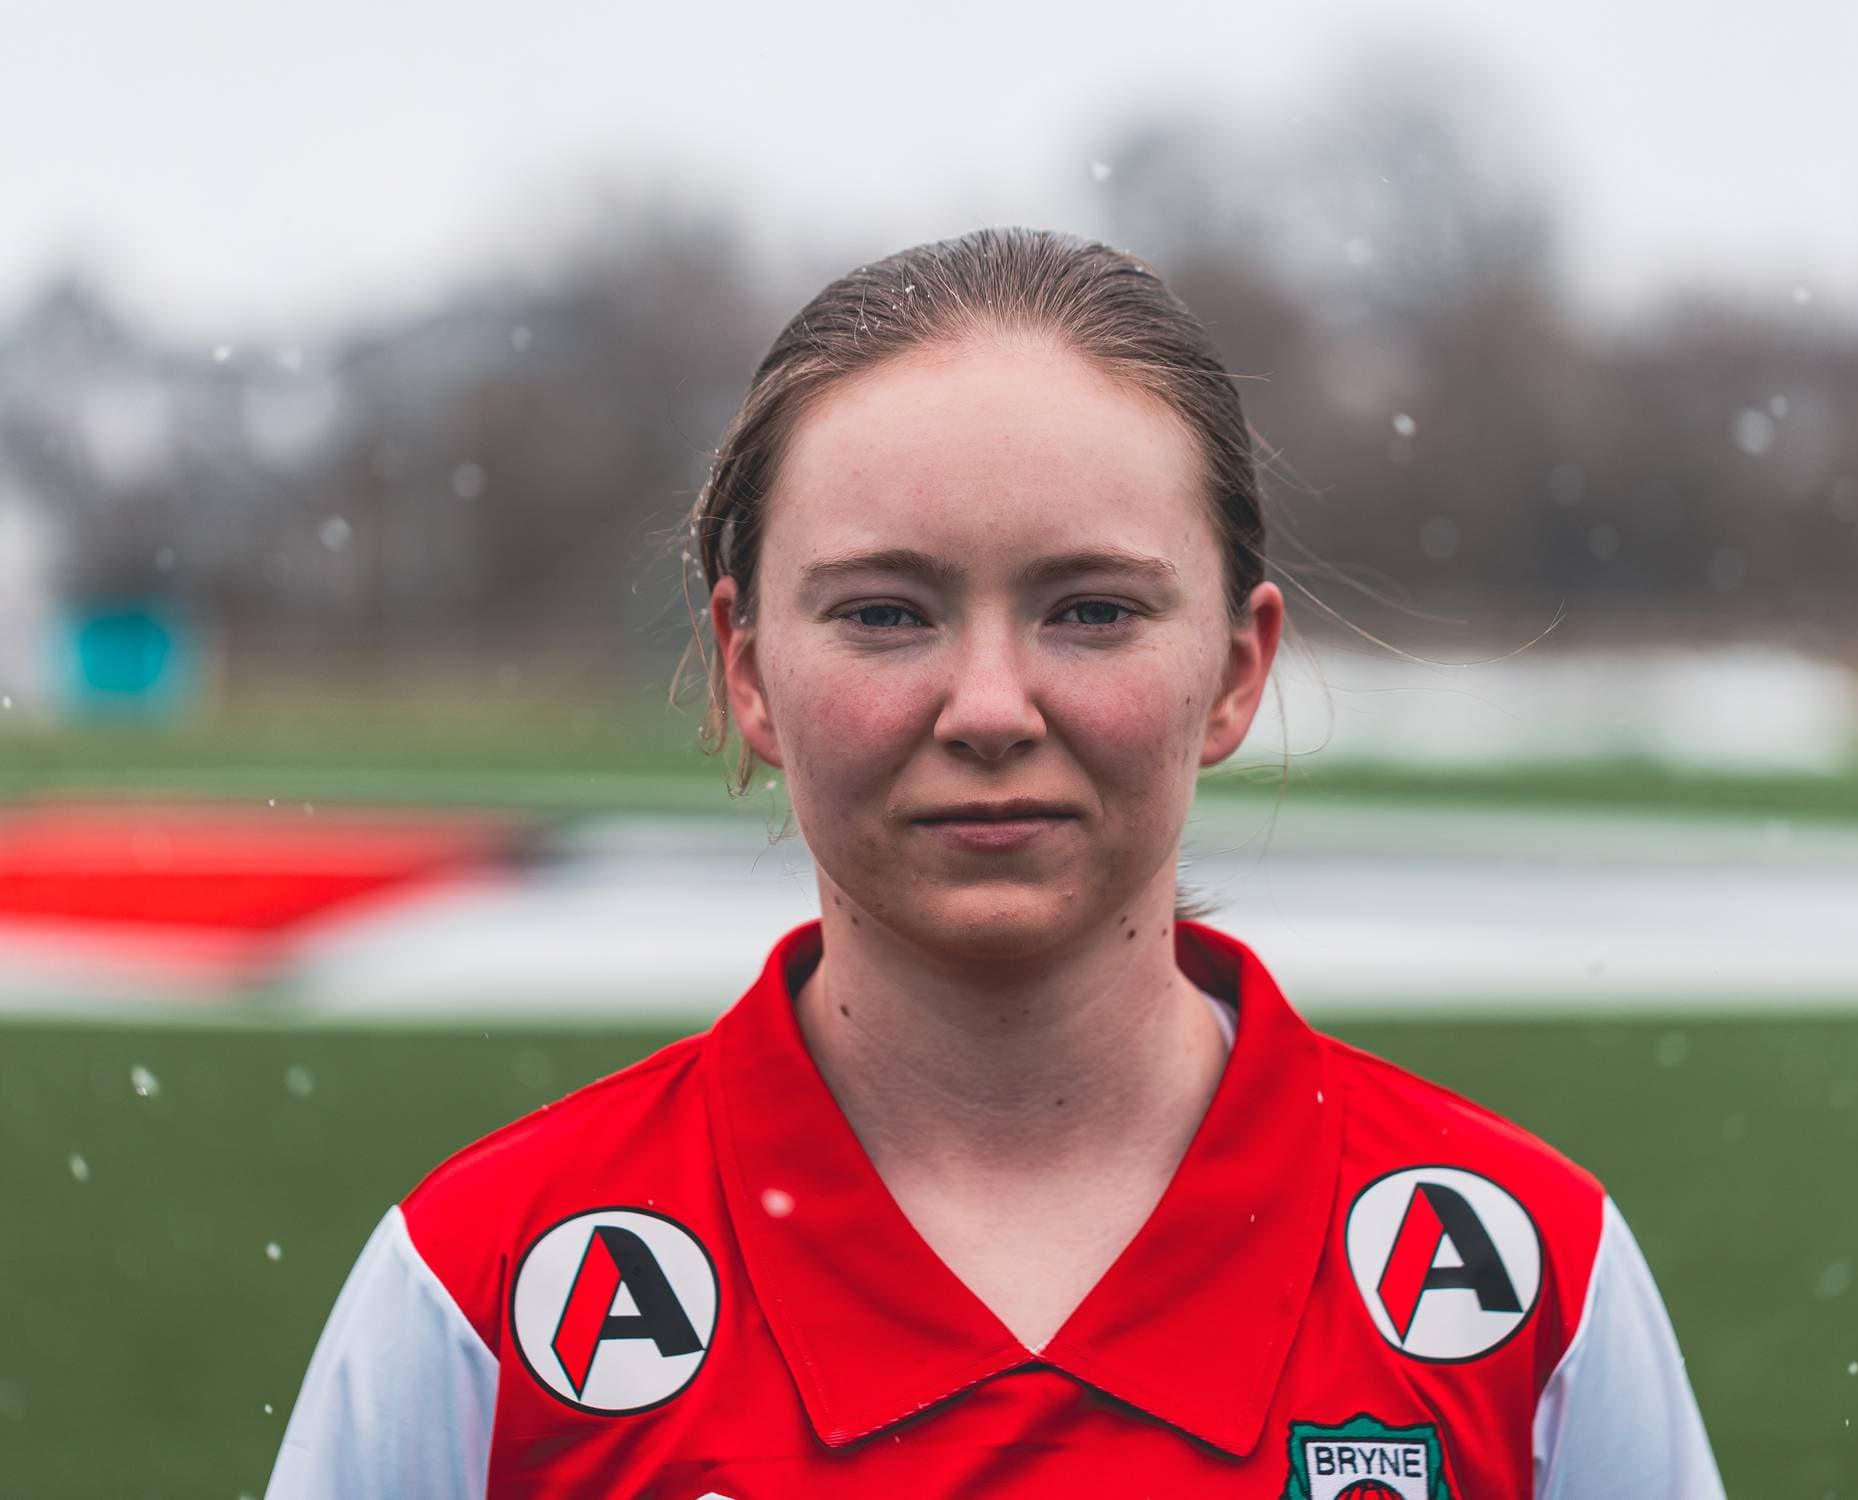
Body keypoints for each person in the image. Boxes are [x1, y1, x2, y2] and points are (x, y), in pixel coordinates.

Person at [265, 226, 1726, 1498]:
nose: (987, 707)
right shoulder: (478, 1298)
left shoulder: (1529, 1282)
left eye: (1090, 610)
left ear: (1235, 668)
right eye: (886, 614)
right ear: (748, 668)